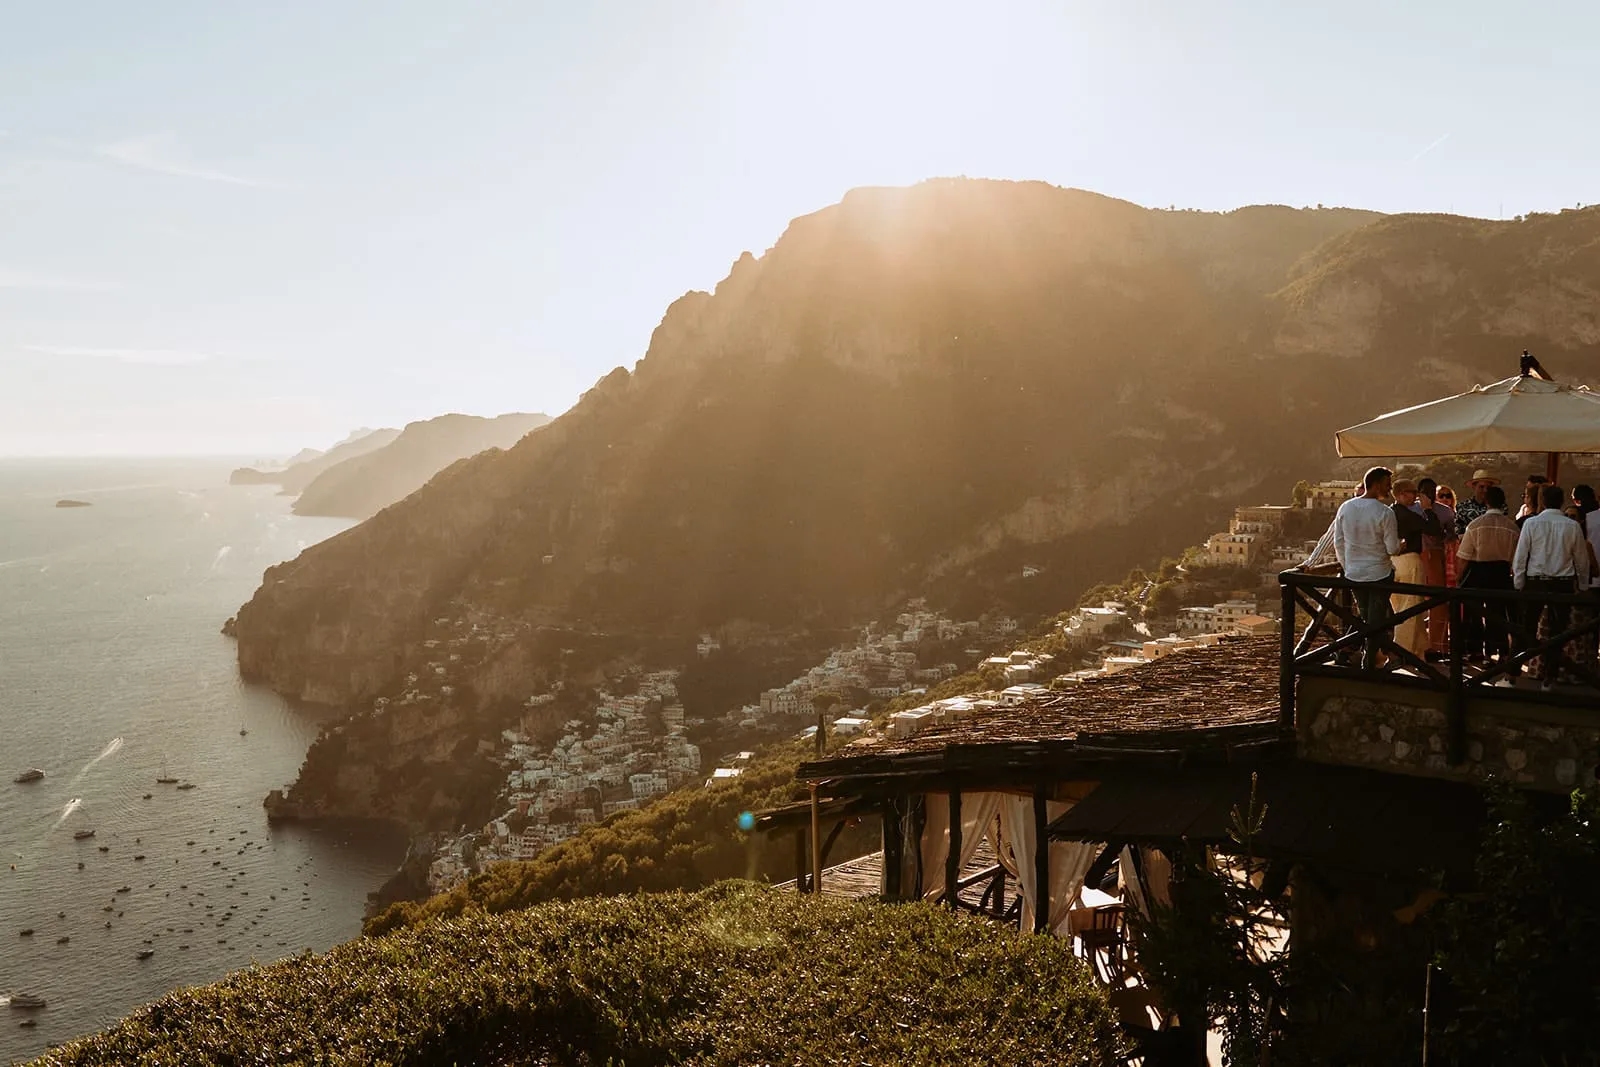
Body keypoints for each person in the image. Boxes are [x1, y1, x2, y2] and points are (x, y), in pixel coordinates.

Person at [1513, 485, 1591, 685]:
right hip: (1562, 583)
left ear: (1543, 501)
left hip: (1535, 581)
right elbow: (1581, 560)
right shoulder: (1572, 526)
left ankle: (1512, 673)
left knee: (1526, 628)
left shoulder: (1531, 524)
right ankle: (1550, 676)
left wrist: (1519, 581)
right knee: (1558, 632)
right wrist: (1582, 585)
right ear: (1562, 501)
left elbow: (1521, 556)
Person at [1332, 466, 1399, 669]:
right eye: (1387, 484)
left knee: (1366, 618)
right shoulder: (1385, 513)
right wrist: (1402, 545)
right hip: (1379, 573)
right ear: (1377, 484)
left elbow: (1338, 542)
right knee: (1375, 622)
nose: (1390, 489)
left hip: (1354, 573)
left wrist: (1348, 566)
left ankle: (1345, 651)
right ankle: (1368, 662)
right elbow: (1392, 548)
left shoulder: (1345, 507)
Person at [1455, 486, 1518, 662]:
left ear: (1487, 502)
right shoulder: (1512, 527)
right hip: (1502, 572)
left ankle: (1477, 651)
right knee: (1498, 613)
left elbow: (1464, 556)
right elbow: (1516, 558)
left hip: (1478, 571)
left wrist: (1459, 577)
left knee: (1474, 613)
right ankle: (1502, 651)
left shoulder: (1475, 525)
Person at [1390, 478, 1443, 659]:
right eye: (1413, 492)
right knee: (1410, 610)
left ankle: (1417, 650)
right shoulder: (1407, 515)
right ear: (1402, 494)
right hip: (1409, 561)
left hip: (1390, 563)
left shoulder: (1389, 513)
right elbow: (1434, 530)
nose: (1416, 495)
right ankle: (1404, 652)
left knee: (1400, 609)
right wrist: (1428, 509)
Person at [1416, 478, 1457, 657]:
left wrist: (1448, 536)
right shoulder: (1410, 508)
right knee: (1412, 602)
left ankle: (1436, 646)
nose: (1431, 495)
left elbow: (1452, 533)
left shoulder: (1446, 512)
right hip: (1415, 555)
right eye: (1427, 491)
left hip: (1436, 556)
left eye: (1433, 491)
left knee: (1438, 604)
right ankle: (1415, 646)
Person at [1453, 470, 1498, 536]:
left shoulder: (1499, 507)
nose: (1485, 490)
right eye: (1481, 487)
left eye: (1488, 487)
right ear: (1474, 487)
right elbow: (1458, 532)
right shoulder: (1462, 507)